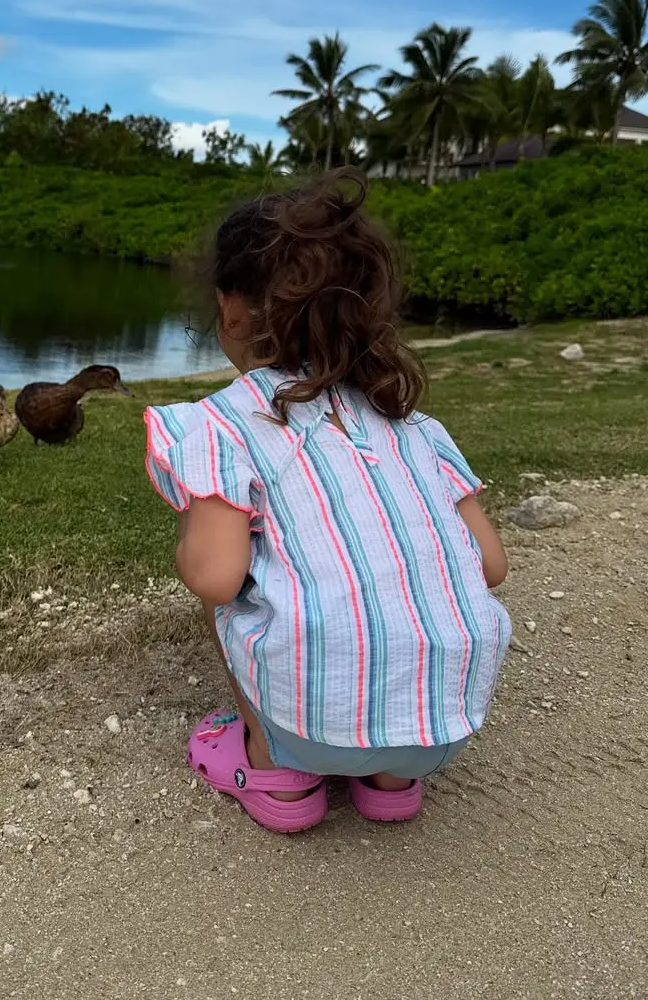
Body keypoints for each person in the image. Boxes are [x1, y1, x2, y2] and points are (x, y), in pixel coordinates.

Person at [144, 173, 510, 832]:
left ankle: (279, 776)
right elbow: (489, 565)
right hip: (441, 729)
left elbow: (216, 577)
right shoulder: (414, 426)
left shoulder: (223, 424)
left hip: (312, 723)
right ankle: (391, 783)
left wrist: (197, 539)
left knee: (226, 584)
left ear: (230, 309)